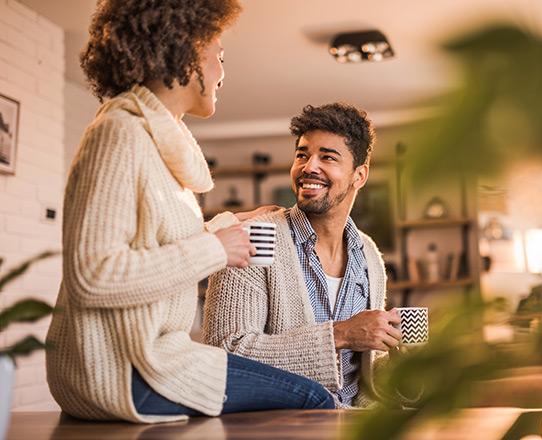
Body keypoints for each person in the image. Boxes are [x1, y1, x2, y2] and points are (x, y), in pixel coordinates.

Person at [45, 0, 334, 424]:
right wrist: (216, 250)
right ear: (183, 50)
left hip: (145, 357)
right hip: (122, 369)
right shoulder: (118, 134)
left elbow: (153, 241)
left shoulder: (151, 143)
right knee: (316, 402)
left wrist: (230, 225)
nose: (222, 73)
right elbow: (92, 275)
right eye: (218, 57)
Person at [203, 102, 411, 408]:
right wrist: (339, 335)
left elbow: (359, 377)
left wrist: (400, 368)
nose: (308, 167)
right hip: (284, 430)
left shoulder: (368, 255)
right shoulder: (255, 236)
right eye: (302, 155)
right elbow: (228, 356)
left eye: (327, 157)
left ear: (359, 176)